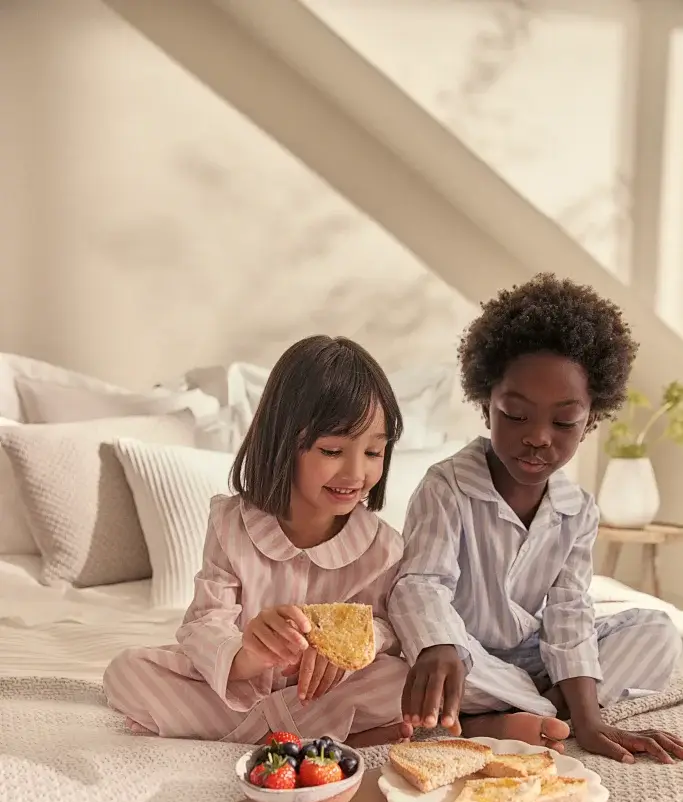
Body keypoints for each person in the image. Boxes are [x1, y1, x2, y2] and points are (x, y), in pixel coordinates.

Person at [389, 273, 683, 763]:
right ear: (487, 407)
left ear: (589, 421)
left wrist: (589, 724)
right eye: (516, 414)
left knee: (659, 631)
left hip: (531, 655)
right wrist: (438, 644)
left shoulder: (579, 510)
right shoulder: (447, 486)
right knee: (415, 670)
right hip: (464, 653)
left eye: (563, 422)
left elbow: (569, 613)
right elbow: (419, 583)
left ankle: (537, 707)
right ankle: (509, 712)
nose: (538, 437)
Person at [104, 336, 413, 747]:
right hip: (234, 691)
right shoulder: (232, 523)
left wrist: (350, 646)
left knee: (404, 679)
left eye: (374, 452)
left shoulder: (382, 548)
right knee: (125, 673)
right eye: (333, 450)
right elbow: (203, 621)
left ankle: (264, 735)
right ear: (284, 442)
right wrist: (248, 652)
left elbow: (389, 629)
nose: (356, 473)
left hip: (322, 695)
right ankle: (315, 736)